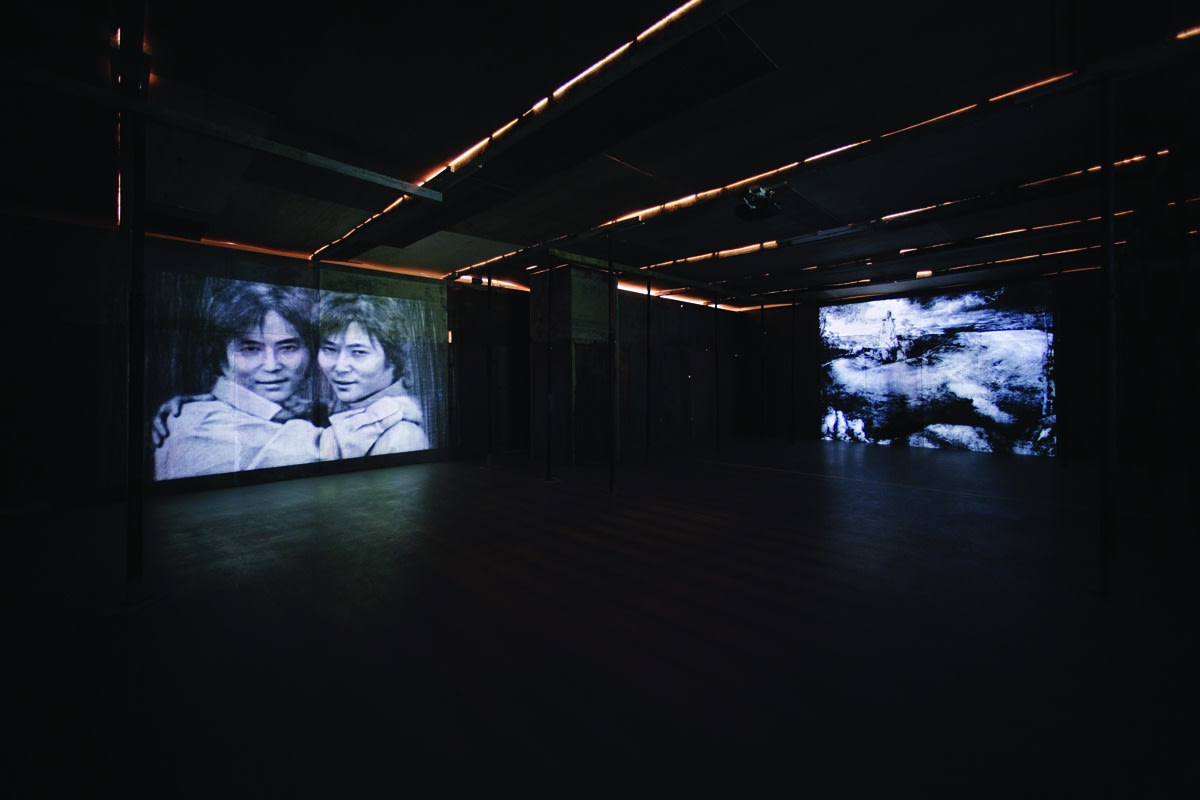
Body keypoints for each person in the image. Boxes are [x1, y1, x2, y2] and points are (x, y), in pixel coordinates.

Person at [153, 281, 411, 480]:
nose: (272, 365)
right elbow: (325, 448)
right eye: (250, 349)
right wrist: (397, 407)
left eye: (288, 347)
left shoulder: (285, 412)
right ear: (220, 355)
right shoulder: (197, 422)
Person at [315, 292, 429, 455]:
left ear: (392, 357)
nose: (340, 367)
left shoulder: (401, 437)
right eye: (329, 349)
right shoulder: (337, 410)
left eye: (358, 352)